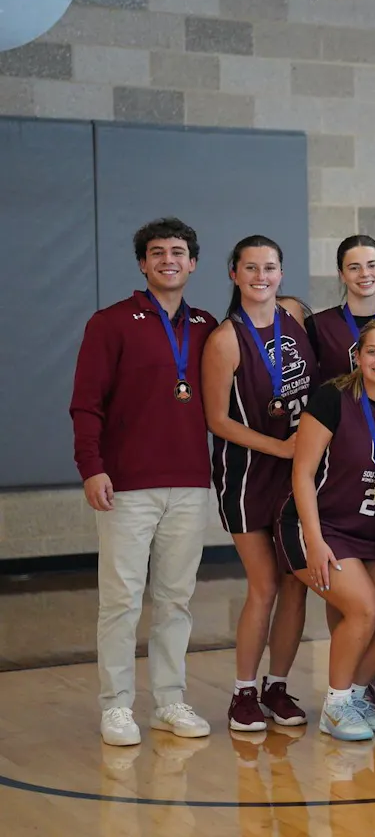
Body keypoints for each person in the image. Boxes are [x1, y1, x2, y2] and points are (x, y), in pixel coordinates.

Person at [71, 217, 217, 746]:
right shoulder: (110, 323)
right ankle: (116, 706)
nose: (168, 260)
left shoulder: (206, 326)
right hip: (126, 485)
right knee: (122, 600)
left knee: (176, 599)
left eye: (178, 251)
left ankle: (170, 700)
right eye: (157, 252)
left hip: (191, 483)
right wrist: (92, 467)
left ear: (193, 262)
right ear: (142, 263)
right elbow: (85, 404)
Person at [275, 319, 375, 741]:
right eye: (372, 351)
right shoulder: (333, 397)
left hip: (374, 535)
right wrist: (314, 542)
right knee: (364, 609)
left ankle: (352, 693)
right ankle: (335, 707)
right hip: (322, 527)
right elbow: (301, 473)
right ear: (358, 356)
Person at [202, 235, 317, 732]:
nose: (261, 276)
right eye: (251, 268)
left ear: (281, 272)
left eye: (269, 267)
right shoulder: (225, 339)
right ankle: (242, 694)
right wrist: (283, 448)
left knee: (296, 586)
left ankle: (277, 686)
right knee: (265, 585)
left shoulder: (294, 316)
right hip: (248, 476)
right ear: (234, 274)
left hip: (298, 475)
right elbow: (216, 420)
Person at [307, 235, 375, 382]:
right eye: (354, 268)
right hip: (338, 405)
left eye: (372, 265)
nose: (365, 273)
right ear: (342, 274)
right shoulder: (319, 326)